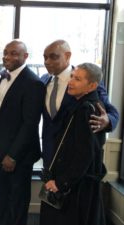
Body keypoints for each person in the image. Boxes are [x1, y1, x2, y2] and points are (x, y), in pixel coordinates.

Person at [40, 63, 108, 225]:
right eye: (72, 76)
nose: (71, 82)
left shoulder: (87, 109)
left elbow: (85, 154)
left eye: (77, 79)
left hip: (77, 188)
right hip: (74, 183)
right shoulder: (80, 103)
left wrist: (61, 183)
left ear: (92, 86)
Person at [0, 40, 45, 225]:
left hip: (17, 157)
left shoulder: (33, 83)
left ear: (25, 56)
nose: (7, 57)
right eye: (5, 52)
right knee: (3, 203)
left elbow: (30, 124)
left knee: (17, 205)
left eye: (14, 53)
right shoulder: (2, 77)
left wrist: (13, 155)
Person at [41, 39, 119, 168]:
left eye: (53, 57)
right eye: (45, 57)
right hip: (50, 155)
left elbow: (110, 111)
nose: (47, 62)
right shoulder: (43, 80)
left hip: (75, 159)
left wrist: (107, 120)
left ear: (67, 56)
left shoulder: (88, 80)